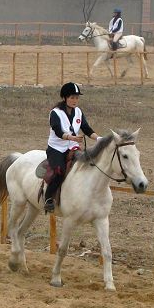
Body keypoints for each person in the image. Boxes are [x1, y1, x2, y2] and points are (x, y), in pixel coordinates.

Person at [44, 82, 101, 213]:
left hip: (73, 147)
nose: (75, 100)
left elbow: (86, 129)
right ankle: (48, 199)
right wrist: (72, 138)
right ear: (64, 98)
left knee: (87, 165)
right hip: (56, 149)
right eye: (72, 97)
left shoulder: (79, 112)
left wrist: (99, 139)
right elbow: (57, 131)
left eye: (77, 98)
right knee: (59, 172)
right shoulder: (55, 113)